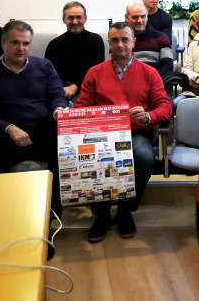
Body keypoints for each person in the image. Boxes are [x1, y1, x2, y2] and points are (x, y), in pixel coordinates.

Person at [76, 22, 172, 242]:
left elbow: (165, 108)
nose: (120, 44)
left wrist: (148, 116)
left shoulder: (149, 73)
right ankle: (101, 213)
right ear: (109, 43)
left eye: (125, 39)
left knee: (144, 156)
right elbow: (81, 106)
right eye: (115, 40)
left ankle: (125, 210)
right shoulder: (95, 72)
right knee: (91, 158)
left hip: (136, 132)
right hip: (102, 135)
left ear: (133, 43)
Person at [0, 20, 68, 215]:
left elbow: (57, 96)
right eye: (15, 42)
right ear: (3, 44)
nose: (21, 48)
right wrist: (9, 128)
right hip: (5, 135)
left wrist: (58, 109)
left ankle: (51, 214)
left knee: (65, 152)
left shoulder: (44, 66)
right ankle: (2, 214)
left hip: (40, 131)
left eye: (25, 43)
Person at [44, 1, 105, 102]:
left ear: (85, 19)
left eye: (79, 17)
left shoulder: (95, 40)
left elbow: (97, 72)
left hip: (88, 88)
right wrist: (63, 88)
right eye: (71, 18)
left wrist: (76, 86)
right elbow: (49, 73)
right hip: (60, 89)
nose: (75, 21)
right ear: (64, 20)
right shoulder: (54, 44)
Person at [125, 2, 174, 78]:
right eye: (135, 17)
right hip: (128, 83)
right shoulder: (120, 40)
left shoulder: (161, 38)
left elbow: (168, 66)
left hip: (155, 83)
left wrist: (151, 80)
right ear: (126, 18)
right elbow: (116, 66)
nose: (140, 21)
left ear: (147, 16)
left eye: (143, 16)